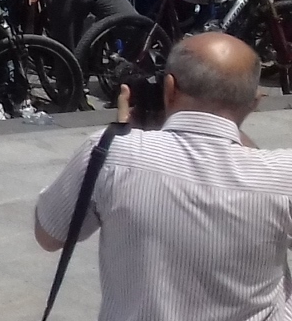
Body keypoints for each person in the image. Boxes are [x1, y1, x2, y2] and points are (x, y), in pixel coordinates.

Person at [35, 32, 292, 321]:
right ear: (254, 103)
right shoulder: (282, 175)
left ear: (168, 88)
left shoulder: (110, 152)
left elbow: (49, 233)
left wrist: (122, 132)